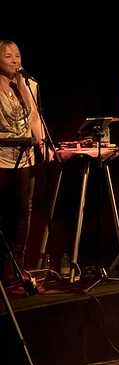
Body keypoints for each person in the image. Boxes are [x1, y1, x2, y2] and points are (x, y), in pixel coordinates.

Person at [0, 40, 45, 288]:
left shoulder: (29, 85)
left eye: (17, 55)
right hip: (1, 157)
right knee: (4, 212)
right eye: (8, 56)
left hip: (25, 157)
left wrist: (43, 144)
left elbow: (35, 119)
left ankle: (16, 266)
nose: (15, 60)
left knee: (22, 213)